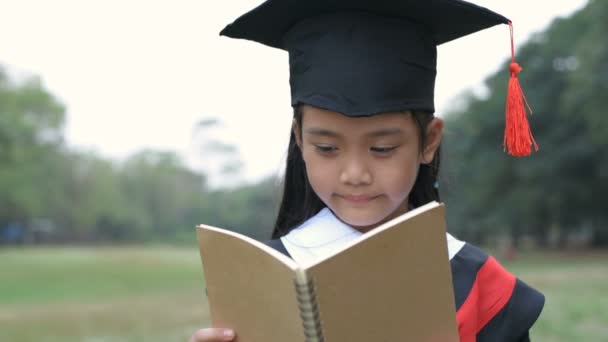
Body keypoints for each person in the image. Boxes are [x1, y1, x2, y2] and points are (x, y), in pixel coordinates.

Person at [191, 0, 544, 341]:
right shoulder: (263, 280)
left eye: (382, 148)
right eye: (327, 148)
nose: (354, 173)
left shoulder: (482, 289)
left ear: (429, 142)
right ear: (299, 139)